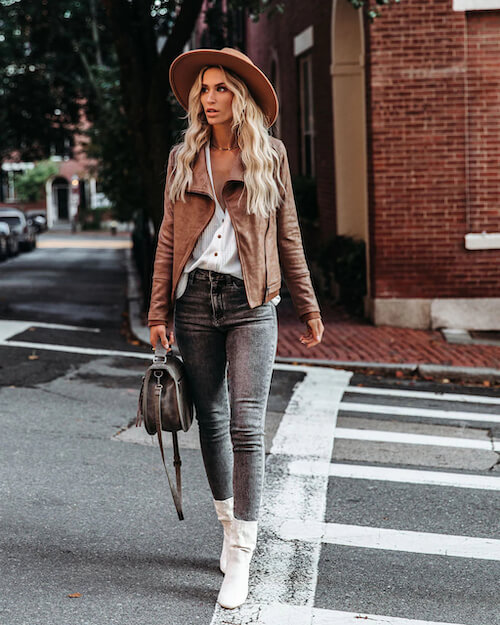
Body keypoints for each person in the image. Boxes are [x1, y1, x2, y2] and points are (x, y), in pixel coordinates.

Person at [148, 47, 324, 610]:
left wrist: (309, 305)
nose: (210, 97)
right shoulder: (183, 158)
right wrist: (157, 313)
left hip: (253, 303)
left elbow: (288, 234)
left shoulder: (270, 155)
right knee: (213, 421)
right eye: (204, 89)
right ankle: (228, 527)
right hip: (195, 301)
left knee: (248, 427)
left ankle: (243, 551)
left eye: (221, 87)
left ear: (239, 96)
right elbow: (169, 241)